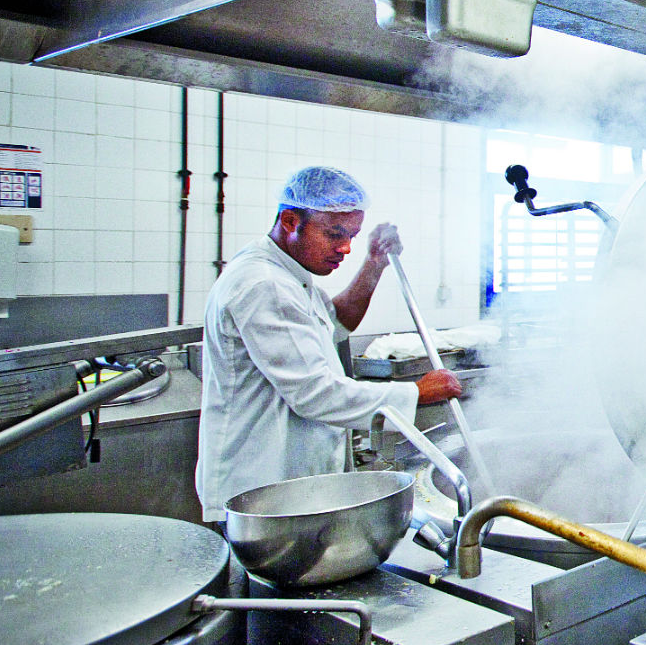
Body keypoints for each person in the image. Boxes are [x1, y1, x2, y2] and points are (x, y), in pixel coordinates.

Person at [195, 165, 462, 521]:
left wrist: (375, 262)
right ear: (291, 221)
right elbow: (315, 393)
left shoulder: (290, 277)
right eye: (334, 234)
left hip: (289, 489)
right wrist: (416, 392)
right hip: (262, 491)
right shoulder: (263, 284)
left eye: (352, 235)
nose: (346, 247)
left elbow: (336, 324)